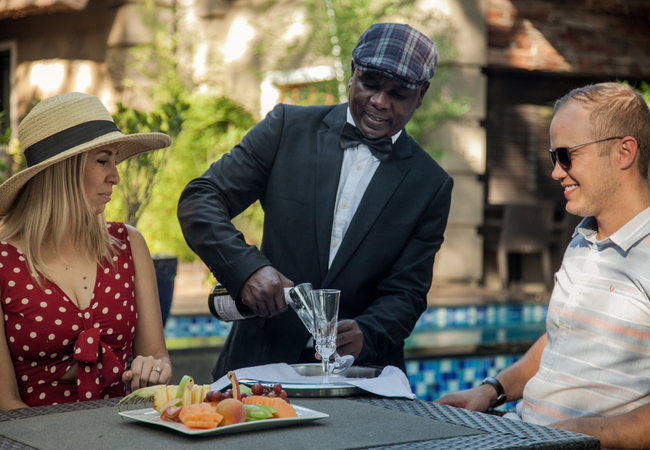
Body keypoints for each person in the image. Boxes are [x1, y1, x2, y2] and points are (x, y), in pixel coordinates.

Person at [178, 23, 453, 380]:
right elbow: (201, 198)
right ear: (353, 72)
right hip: (259, 362)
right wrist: (247, 268)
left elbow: (408, 292)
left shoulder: (430, 184)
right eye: (369, 84)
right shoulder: (285, 128)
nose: (380, 101)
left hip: (360, 378)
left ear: (421, 95)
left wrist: (368, 333)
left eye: (398, 93)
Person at [435, 82, 650, 449]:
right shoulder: (582, 241)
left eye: (566, 155)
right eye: (553, 156)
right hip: (521, 432)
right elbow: (562, 337)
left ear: (624, 152)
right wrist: (492, 389)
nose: (556, 172)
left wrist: (578, 435)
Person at [0, 92, 174, 410]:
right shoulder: (4, 262)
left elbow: (157, 356)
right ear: (64, 170)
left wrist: (154, 370)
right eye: (103, 160)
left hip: (124, 428)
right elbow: (5, 402)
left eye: (115, 161)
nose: (116, 176)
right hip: (32, 434)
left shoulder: (128, 244)